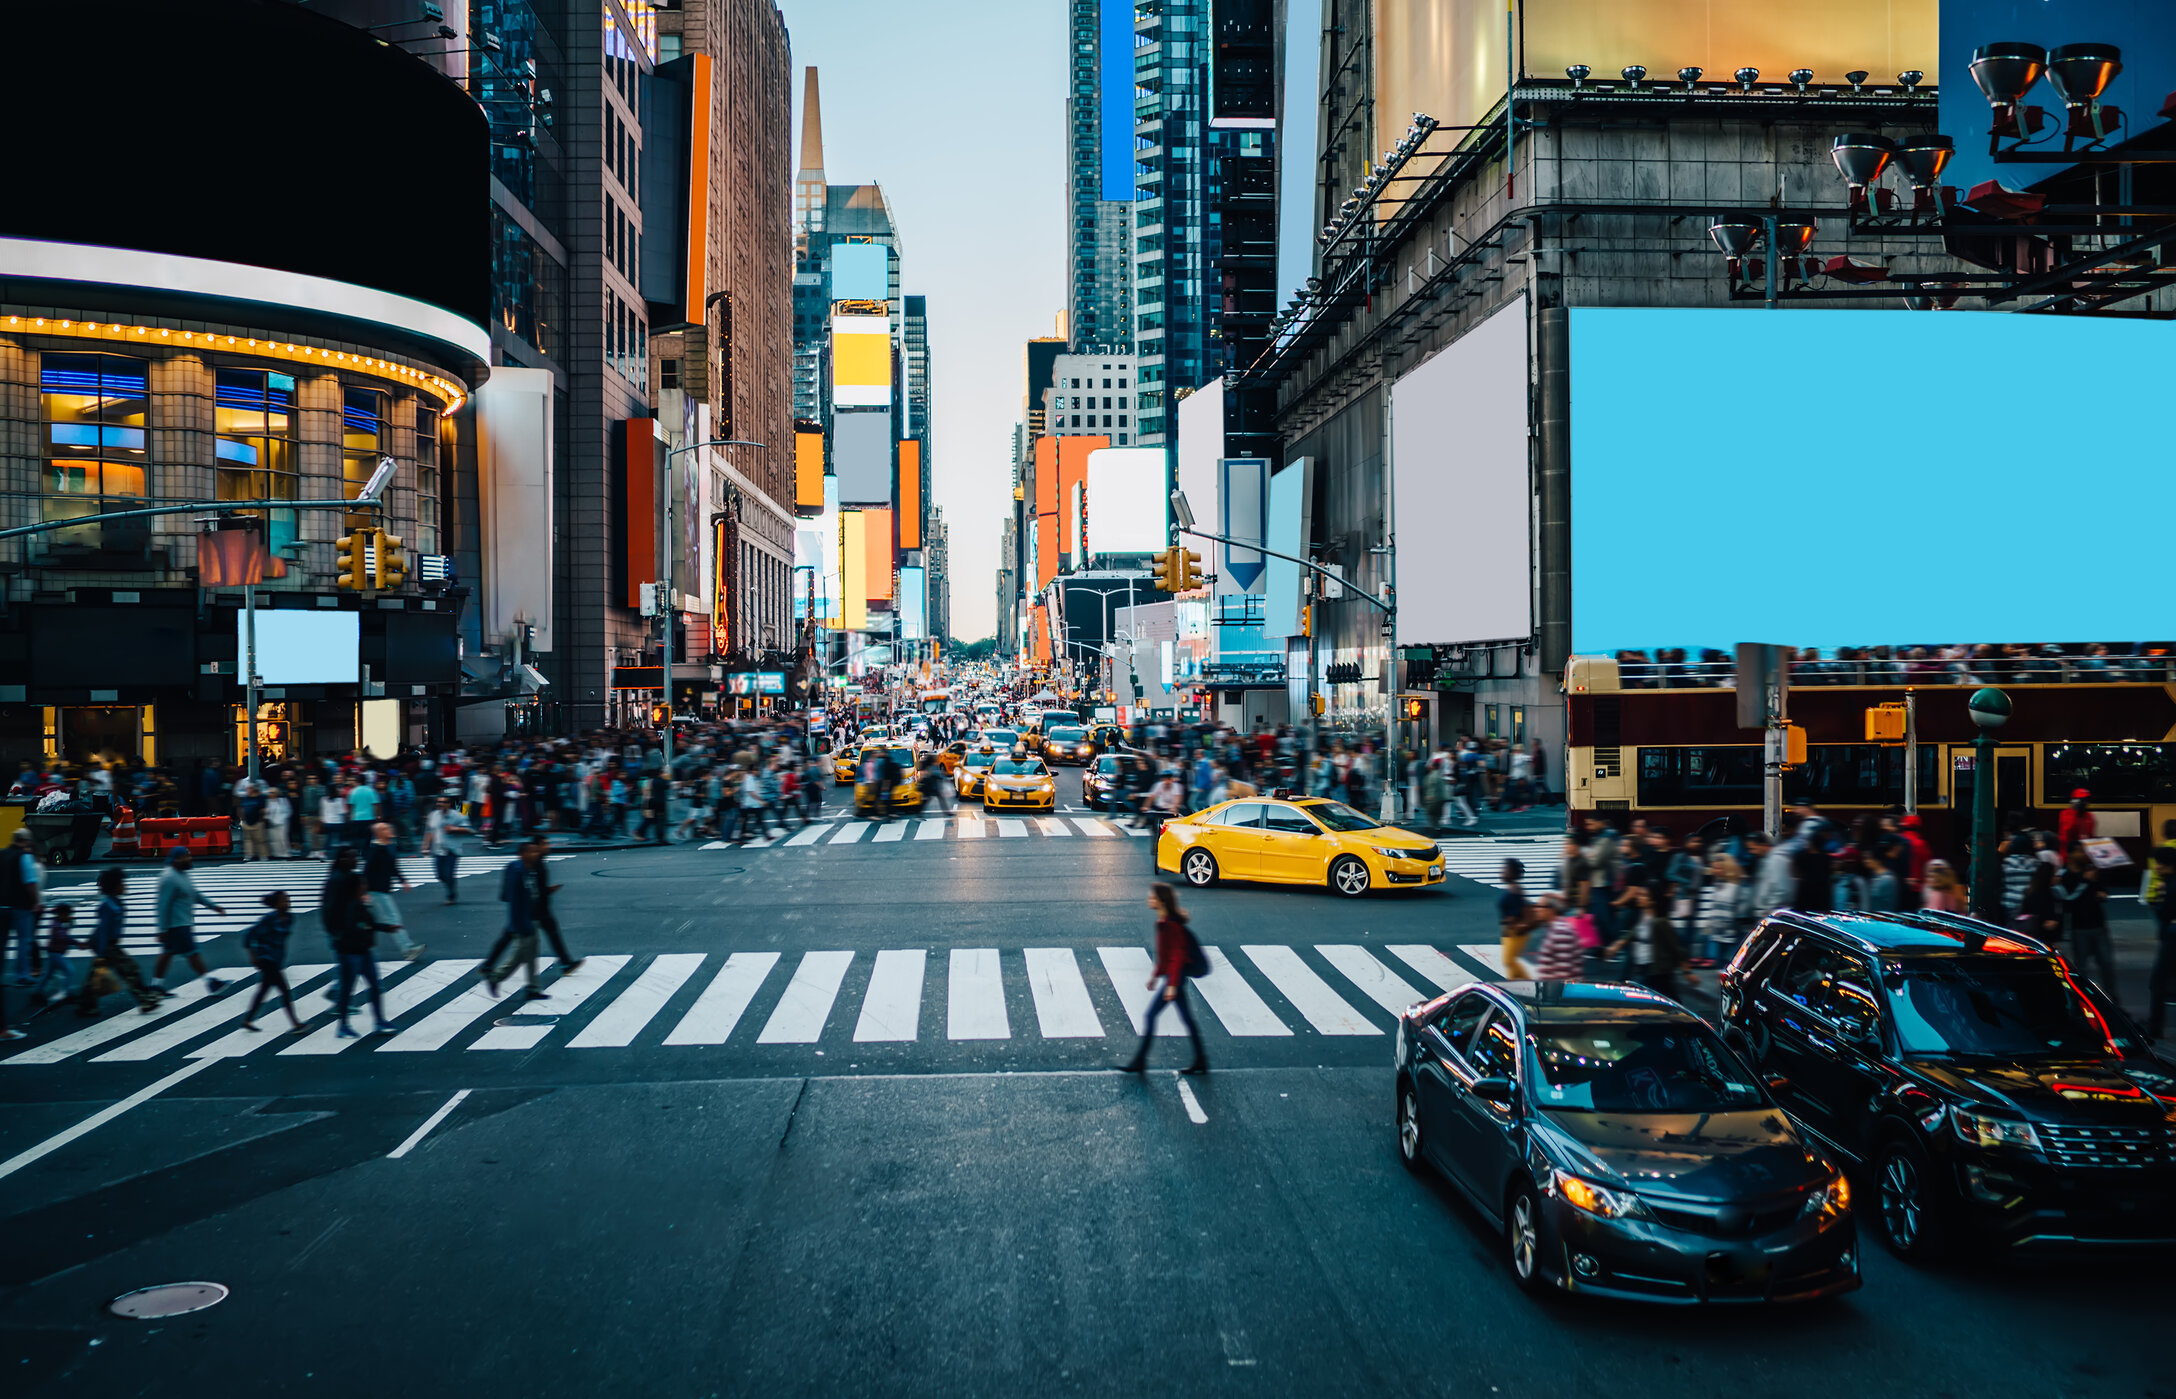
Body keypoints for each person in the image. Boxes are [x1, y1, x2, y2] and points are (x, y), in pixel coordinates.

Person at [1120, 883, 1207, 1075]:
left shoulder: (1170, 925)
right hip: (1172, 979)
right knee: (1187, 1019)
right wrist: (1155, 976)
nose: (1148, 900)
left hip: (1174, 979)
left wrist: (1171, 985)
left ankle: (1139, 1062)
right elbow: (1165, 955)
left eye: (1151, 897)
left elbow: (1177, 955)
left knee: (1151, 1016)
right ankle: (1201, 1060)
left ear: (1160, 901)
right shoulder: (1164, 922)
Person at [321, 848, 393, 1038]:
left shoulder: (351, 892)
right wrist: (338, 936)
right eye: (352, 857)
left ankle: (376, 1021)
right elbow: (330, 913)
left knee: (367, 986)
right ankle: (356, 1023)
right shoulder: (341, 885)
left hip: (359, 947)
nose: (356, 860)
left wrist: (382, 928)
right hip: (350, 948)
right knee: (352, 987)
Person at [77, 868, 159, 1017]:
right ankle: (144, 1000)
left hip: (107, 944)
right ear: (115, 886)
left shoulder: (114, 902)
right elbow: (103, 930)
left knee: (96, 975)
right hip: (106, 945)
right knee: (129, 970)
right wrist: (101, 953)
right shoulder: (108, 905)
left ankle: (86, 1005)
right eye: (122, 883)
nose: (125, 886)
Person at [152, 847, 228, 993]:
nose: (190, 859)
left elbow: (194, 894)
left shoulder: (182, 874)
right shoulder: (169, 878)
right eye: (187, 856)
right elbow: (162, 905)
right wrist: (162, 929)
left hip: (181, 922)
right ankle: (210, 983)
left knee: (167, 953)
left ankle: (156, 985)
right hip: (177, 924)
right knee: (192, 953)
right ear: (177, 859)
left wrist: (214, 906)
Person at [482, 841, 549, 1000]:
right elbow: (514, 899)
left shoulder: (526, 869)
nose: (536, 854)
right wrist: (521, 923)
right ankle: (496, 977)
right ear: (522, 854)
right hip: (523, 921)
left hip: (531, 917)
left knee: (531, 954)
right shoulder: (517, 871)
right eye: (532, 851)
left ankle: (533, 987)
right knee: (520, 955)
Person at [237, 891, 306, 1034]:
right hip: (266, 959)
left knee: (263, 991)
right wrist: (253, 956)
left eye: (288, 900)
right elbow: (248, 935)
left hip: (277, 959)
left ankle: (247, 1020)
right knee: (284, 991)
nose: (287, 903)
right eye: (283, 901)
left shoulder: (290, 918)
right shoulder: (269, 919)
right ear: (276, 904)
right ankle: (295, 1023)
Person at [362, 822, 424, 961]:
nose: (389, 829)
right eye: (385, 828)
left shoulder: (389, 846)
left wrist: (403, 880)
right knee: (392, 919)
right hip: (376, 890)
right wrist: (364, 891)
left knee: (370, 922)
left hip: (382, 889)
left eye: (388, 827)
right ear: (378, 833)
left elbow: (393, 866)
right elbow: (367, 871)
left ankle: (360, 949)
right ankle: (408, 949)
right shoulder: (376, 849)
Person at [2057, 850, 2115, 997]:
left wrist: (2101, 894)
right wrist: (2086, 881)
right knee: (2081, 966)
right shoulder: (2065, 876)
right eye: (2078, 851)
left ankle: (2112, 998)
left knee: (2106, 963)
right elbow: (2069, 901)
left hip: (2098, 924)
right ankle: (2081, 998)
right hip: (2080, 926)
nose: (2082, 854)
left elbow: (2103, 892)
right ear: (2070, 854)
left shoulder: (2092, 871)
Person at [2143, 846, 2176, 1041]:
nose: (2155, 867)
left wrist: (2158, 898)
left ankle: (2155, 1027)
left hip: (2172, 939)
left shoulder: (2171, 886)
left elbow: (2165, 913)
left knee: (2158, 982)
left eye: (2158, 863)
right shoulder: (2169, 882)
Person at [3, 829, 43, 986]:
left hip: (2, 904)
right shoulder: (24, 857)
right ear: (25, 840)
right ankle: (22, 975)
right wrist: (35, 902)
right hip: (21, 905)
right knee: (24, 941)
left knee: (2, 943)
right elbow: (30, 882)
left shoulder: (2, 854)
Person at [423, 794, 472, 904]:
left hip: (452, 849)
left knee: (449, 873)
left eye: (443, 802)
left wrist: (454, 829)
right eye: (438, 802)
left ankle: (451, 895)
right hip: (437, 849)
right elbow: (429, 831)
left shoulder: (458, 816)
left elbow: (469, 830)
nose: (440, 804)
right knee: (439, 875)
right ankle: (451, 885)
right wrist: (426, 845)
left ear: (449, 804)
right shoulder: (433, 815)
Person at [1498, 859, 1533, 979]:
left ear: (1512, 873)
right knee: (1509, 962)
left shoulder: (1515, 892)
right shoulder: (1514, 889)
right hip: (1511, 932)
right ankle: (1514, 985)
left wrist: (1509, 924)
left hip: (1515, 932)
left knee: (1508, 961)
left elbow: (1515, 914)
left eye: (1504, 869)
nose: (1501, 872)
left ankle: (1529, 982)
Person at [2058, 788, 2096, 860]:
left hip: (2084, 855)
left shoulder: (2089, 816)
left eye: (2086, 800)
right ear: (2074, 801)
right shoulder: (2065, 814)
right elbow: (2066, 836)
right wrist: (2075, 810)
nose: (2085, 803)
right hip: (2069, 856)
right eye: (2082, 800)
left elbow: (2091, 836)